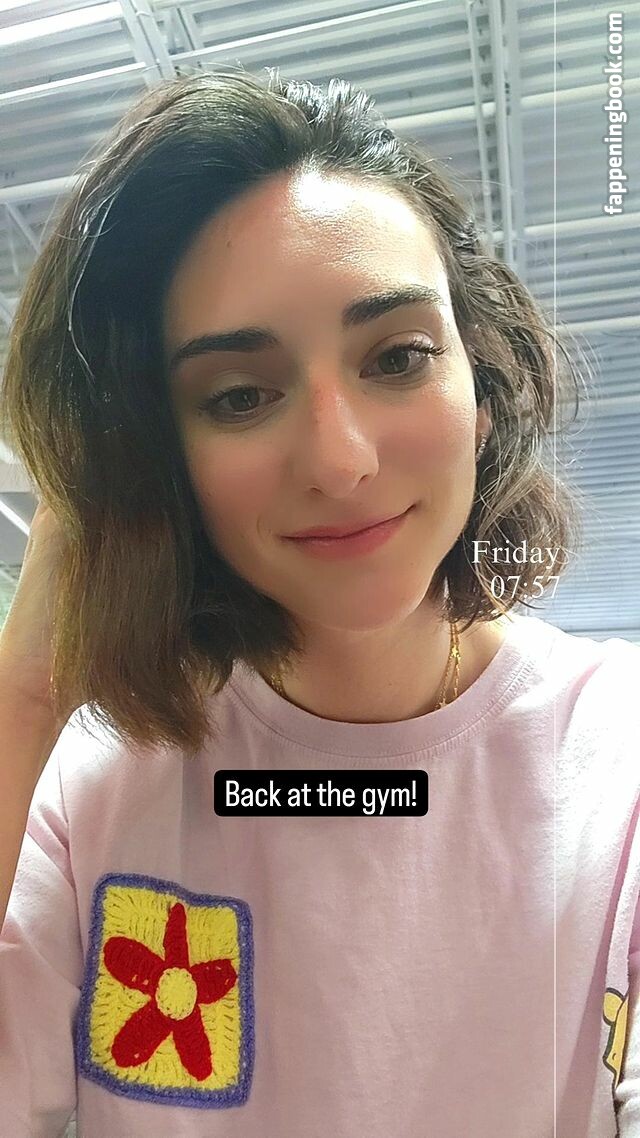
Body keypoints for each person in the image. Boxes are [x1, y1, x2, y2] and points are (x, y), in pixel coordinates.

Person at [0, 66, 638, 1138]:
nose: (341, 461)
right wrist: (25, 698)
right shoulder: (89, 786)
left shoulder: (617, 754)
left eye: (398, 357)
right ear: (161, 457)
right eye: (240, 395)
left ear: (481, 389)